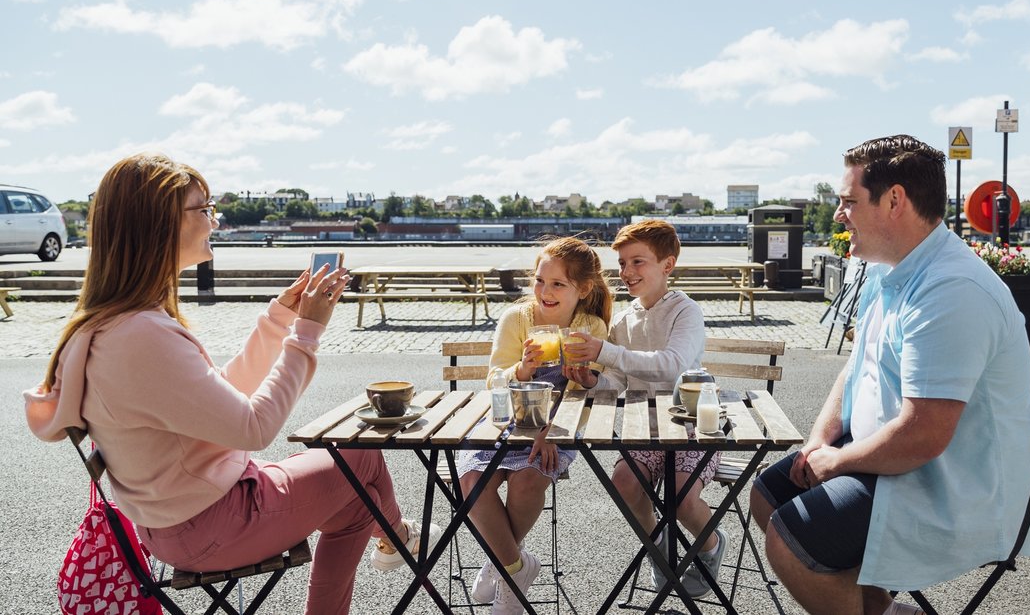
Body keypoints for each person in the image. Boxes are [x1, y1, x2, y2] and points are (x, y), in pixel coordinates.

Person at [24, 153, 438, 615]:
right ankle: (399, 538)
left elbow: (216, 398)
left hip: (172, 522)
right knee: (361, 458)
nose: (214, 221)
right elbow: (254, 427)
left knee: (357, 505)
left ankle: (395, 536)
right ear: (159, 223)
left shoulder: (116, 325)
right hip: (211, 524)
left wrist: (280, 317)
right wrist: (307, 333)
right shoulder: (142, 335)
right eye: (204, 209)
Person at [749, 135, 1030, 615]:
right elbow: (858, 365)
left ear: (895, 200)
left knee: (791, 537)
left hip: (948, 485)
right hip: (900, 460)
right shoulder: (890, 270)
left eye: (849, 201)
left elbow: (923, 435)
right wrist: (819, 443)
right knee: (769, 495)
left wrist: (836, 464)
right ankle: (882, 611)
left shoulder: (951, 290)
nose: (839, 214)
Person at [563, 219, 728, 598]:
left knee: (681, 498)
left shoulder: (685, 311)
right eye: (622, 263)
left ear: (667, 265)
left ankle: (711, 544)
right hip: (645, 428)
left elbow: (674, 366)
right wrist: (592, 382)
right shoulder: (623, 319)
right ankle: (660, 551)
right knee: (623, 485)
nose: (626, 272)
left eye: (638, 262)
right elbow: (618, 383)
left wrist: (604, 351)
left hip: (692, 426)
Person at [457, 236, 612, 614]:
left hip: (560, 426)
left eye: (558, 284)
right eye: (540, 281)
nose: (545, 291)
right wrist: (521, 370)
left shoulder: (589, 327)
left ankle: (500, 564)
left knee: (528, 479)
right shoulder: (517, 319)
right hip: (506, 421)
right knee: (472, 480)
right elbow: (494, 381)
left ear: (583, 288)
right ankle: (515, 568)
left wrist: (556, 424)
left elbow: (582, 395)